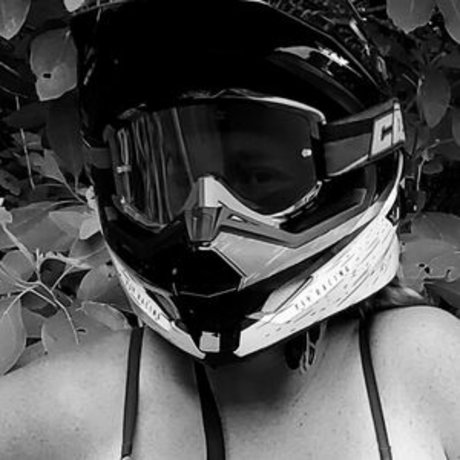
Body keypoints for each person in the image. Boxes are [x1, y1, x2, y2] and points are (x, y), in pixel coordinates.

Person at [0, 0, 460, 459]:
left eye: (257, 177)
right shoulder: (73, 409)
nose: (205, 217)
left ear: (357, 165)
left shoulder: (430, 369)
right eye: (171, 182)